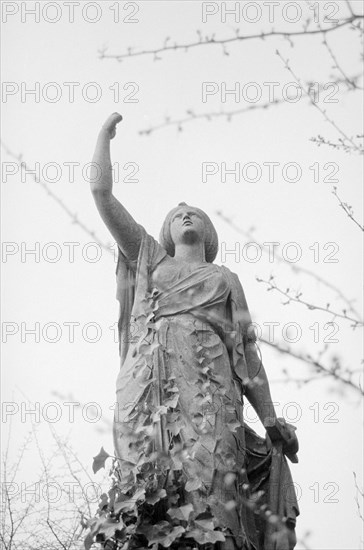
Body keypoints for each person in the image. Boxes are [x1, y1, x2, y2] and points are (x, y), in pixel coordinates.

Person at [90, 113, 299, 550]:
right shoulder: (149, 258)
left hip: (210, 386)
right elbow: (102, 194)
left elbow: (248, 353)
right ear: (166, 233)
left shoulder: (225, 278)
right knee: (145, 493)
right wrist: (103, 141)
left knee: (212, 491)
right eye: (177, 215)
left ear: (209, 232)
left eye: (194, 214)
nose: (185, 215)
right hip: (148, 380)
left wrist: (269, 418)